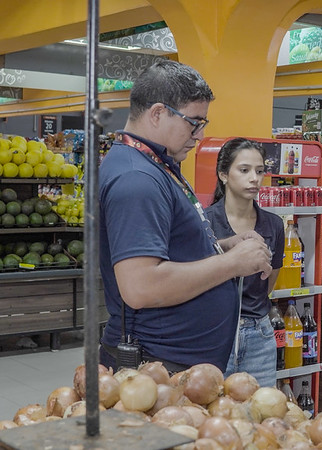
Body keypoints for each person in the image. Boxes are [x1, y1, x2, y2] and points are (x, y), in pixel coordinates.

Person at [98, 60, 273, 373]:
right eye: (193, 122)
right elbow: (141, 287)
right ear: (157, 113)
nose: (200, 135)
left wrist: (223, 246)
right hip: (156, 369)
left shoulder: (154, 165)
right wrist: (232, 264)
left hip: (174, 363)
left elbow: (168, 248)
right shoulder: (137, 178)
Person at [204, 138, 284, 387]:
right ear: (223, 175)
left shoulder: (273, 225)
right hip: (214, 332)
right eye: (244, 170)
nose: (254, 179)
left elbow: (269, 281)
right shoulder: (204, 222)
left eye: (259, 171)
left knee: (262, 406)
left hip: (260, 336)